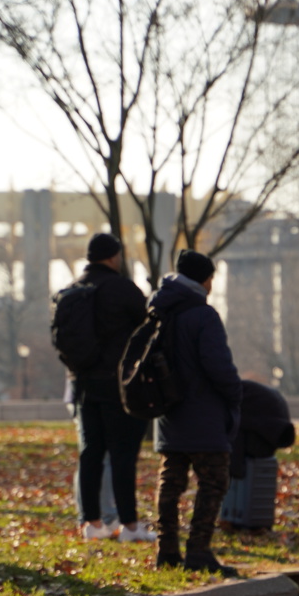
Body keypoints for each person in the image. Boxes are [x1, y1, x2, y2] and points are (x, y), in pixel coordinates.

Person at [148, 250, 243, 575]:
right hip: (204, 415)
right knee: (213, 481)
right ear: (204, 280)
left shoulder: (159, 309)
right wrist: (235, 394)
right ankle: (198, 551)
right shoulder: (203, 315)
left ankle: (166, 551)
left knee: (170, 482)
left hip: (168, 412)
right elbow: (218, 366)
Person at [68, 232, 153, 542]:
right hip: (118, 385)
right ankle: (129, 525)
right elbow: (149, 328)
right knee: (122, 455)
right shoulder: (123, 289)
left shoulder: (72, 292)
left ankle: (91, 523)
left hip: (82, 383)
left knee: (90, 452)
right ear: (114, 257)